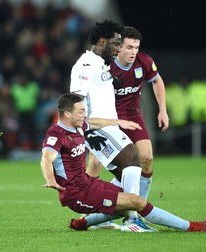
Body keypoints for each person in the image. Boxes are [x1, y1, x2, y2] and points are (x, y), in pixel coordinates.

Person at [40, 92, 206, 233]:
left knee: (125, 203)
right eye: (81, 111)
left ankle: (82, 224)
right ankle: (192, 226)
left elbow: (92, 123)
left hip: (88, 184)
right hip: (76, 194)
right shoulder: (56, 134)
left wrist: (118, 122)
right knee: (136, 203)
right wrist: (50, 179)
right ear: (67, 114)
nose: (84, 115)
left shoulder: (77, 125)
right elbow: (46, 158)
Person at [68, 19, 150, 231]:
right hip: (98, 128)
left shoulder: (101, 64)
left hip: (107, 127)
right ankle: (132, 220)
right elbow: (76, 100)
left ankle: (94, 217)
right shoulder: (85, 65)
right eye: (116, 44)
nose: (118, 49)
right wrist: (81, 129)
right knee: (133, 159)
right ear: (102, 41)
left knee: (124, 175)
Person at [86, 26, 169, 201]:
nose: (134, 52)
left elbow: (157, 81)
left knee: (146, 158)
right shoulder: (105, 66)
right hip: (108, 118)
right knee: (94, 163)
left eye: (136, 47)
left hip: (132, 116)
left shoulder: (144, 62)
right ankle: (88, 210)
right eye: (129, 47)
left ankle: (140, 207)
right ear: (119, 46)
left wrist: (162, 110)